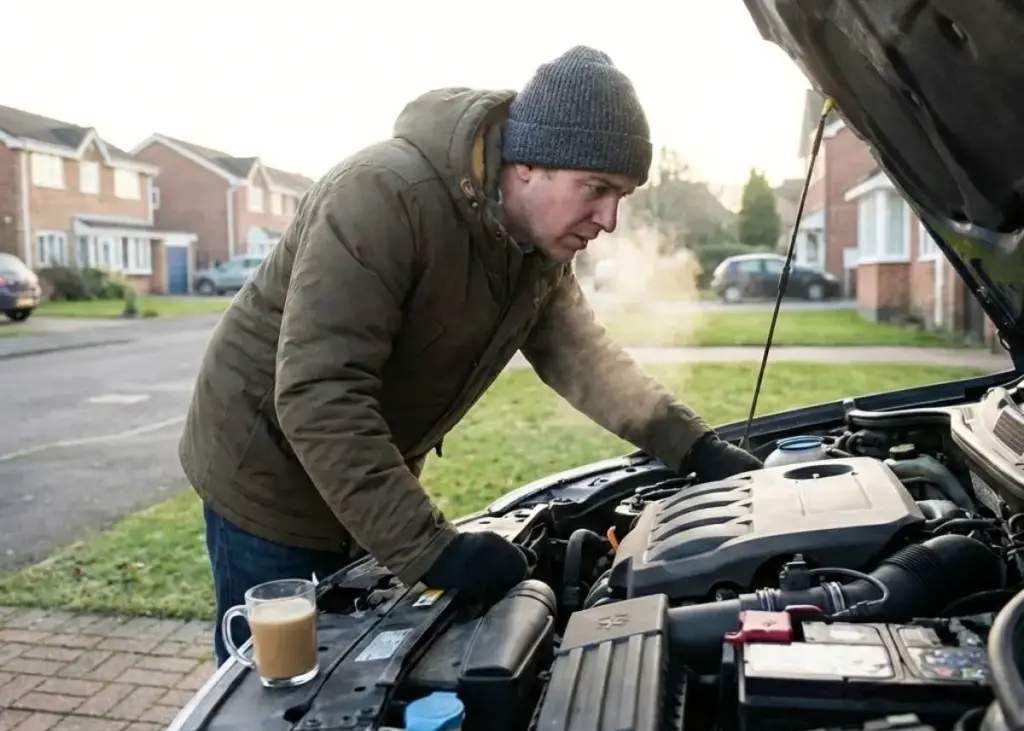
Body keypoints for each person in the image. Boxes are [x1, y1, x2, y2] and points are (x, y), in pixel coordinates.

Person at [179, 45, 763, 666]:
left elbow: (585, 361)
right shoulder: (381, 195)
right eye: (596, 189)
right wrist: (433, 551)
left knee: (353, 659)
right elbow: (319, 393)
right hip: (267, 475)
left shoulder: (535, 251)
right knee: (281, 682)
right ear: (528, 164)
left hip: (359, 474)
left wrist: (696, 448)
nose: (609, 219)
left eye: (622, 195)